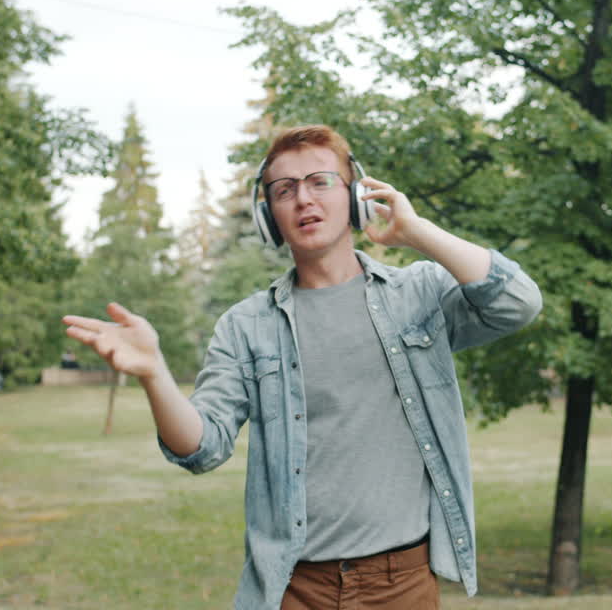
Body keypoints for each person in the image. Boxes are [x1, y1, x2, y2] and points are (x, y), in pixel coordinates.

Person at [63, 125, 542, 609]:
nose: (303, 199)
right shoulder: (246, 326)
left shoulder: (418, 294)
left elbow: (517, 303)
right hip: (296, 589)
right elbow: (202, 448)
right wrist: (154, 374)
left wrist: (416, 232)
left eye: (320, 181)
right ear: (268, 215)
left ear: (356, 196)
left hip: (403, 584)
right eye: (284, 190)